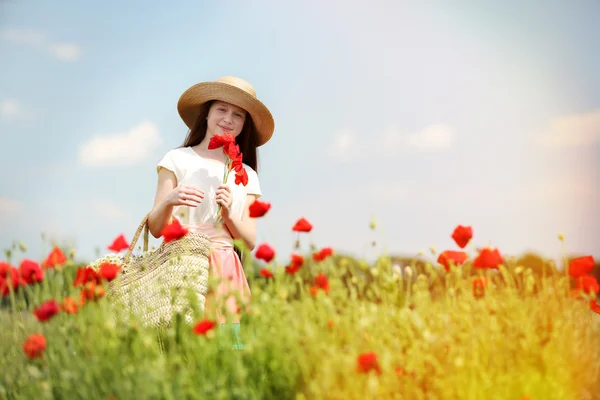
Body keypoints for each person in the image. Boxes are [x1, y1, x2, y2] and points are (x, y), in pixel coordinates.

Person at [147, 76, 274, 349]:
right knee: (179, 350)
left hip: (225, 269)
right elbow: (156, 228)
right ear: (206, 114)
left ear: (245, 124)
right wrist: (170, 200)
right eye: (221, 109)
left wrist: (228, 213)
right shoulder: (177, 159)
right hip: (181, 264)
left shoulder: (247, 174)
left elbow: (249, 241)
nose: (228, 119)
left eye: (237, 114)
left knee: (225, 355)